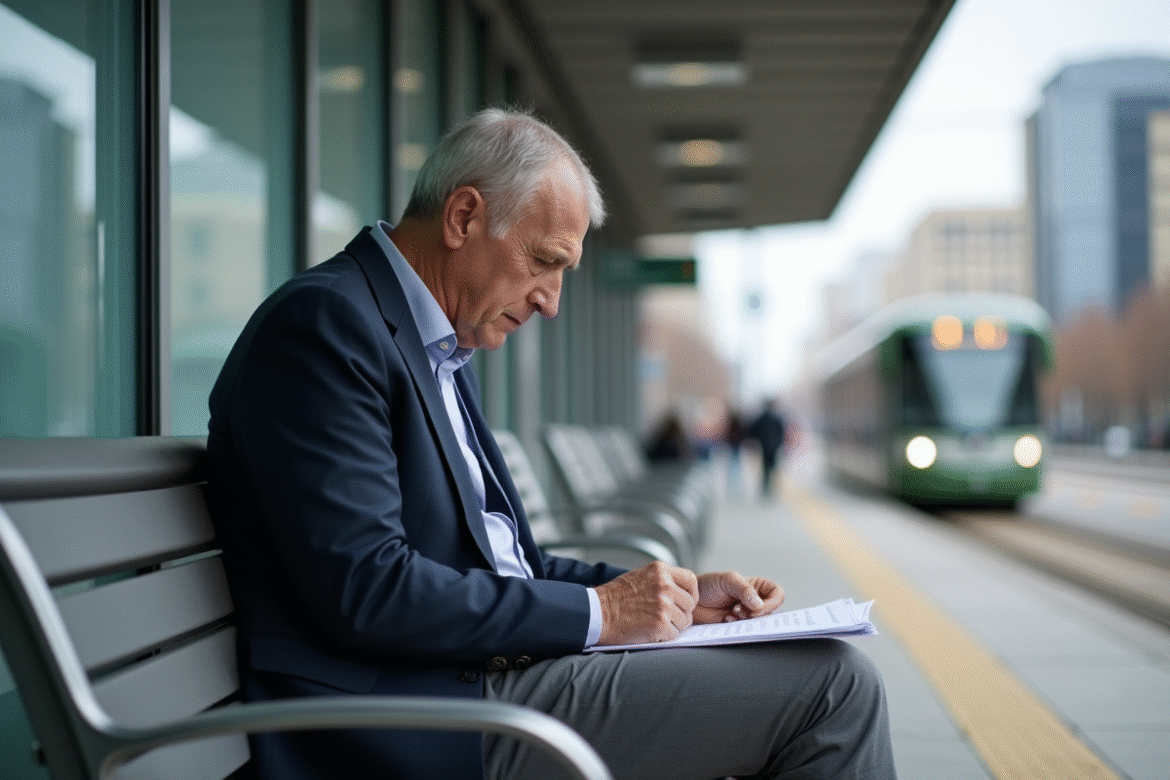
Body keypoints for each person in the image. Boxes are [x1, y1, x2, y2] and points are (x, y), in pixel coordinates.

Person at [205, 108, 895, 780]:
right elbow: (368, 590)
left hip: (481, 680)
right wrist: (603, 612)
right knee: (833, 690)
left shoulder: (430, 347)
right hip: (413, 717)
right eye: (544, 261)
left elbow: (512, 568)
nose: (551, 301)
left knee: (818, 670)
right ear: (463, 217)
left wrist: (664, 597)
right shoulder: (326, 326)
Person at [749, 398, 789, 497]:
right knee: (774, 468)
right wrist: (779, 443)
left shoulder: (760, 418)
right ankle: (774, 488)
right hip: (775, 447)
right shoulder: (777, 418)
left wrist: (758, 441)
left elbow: (752, 431)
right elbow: (782, 432)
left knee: (765, 469)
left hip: (764, 447)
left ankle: (766, 488)